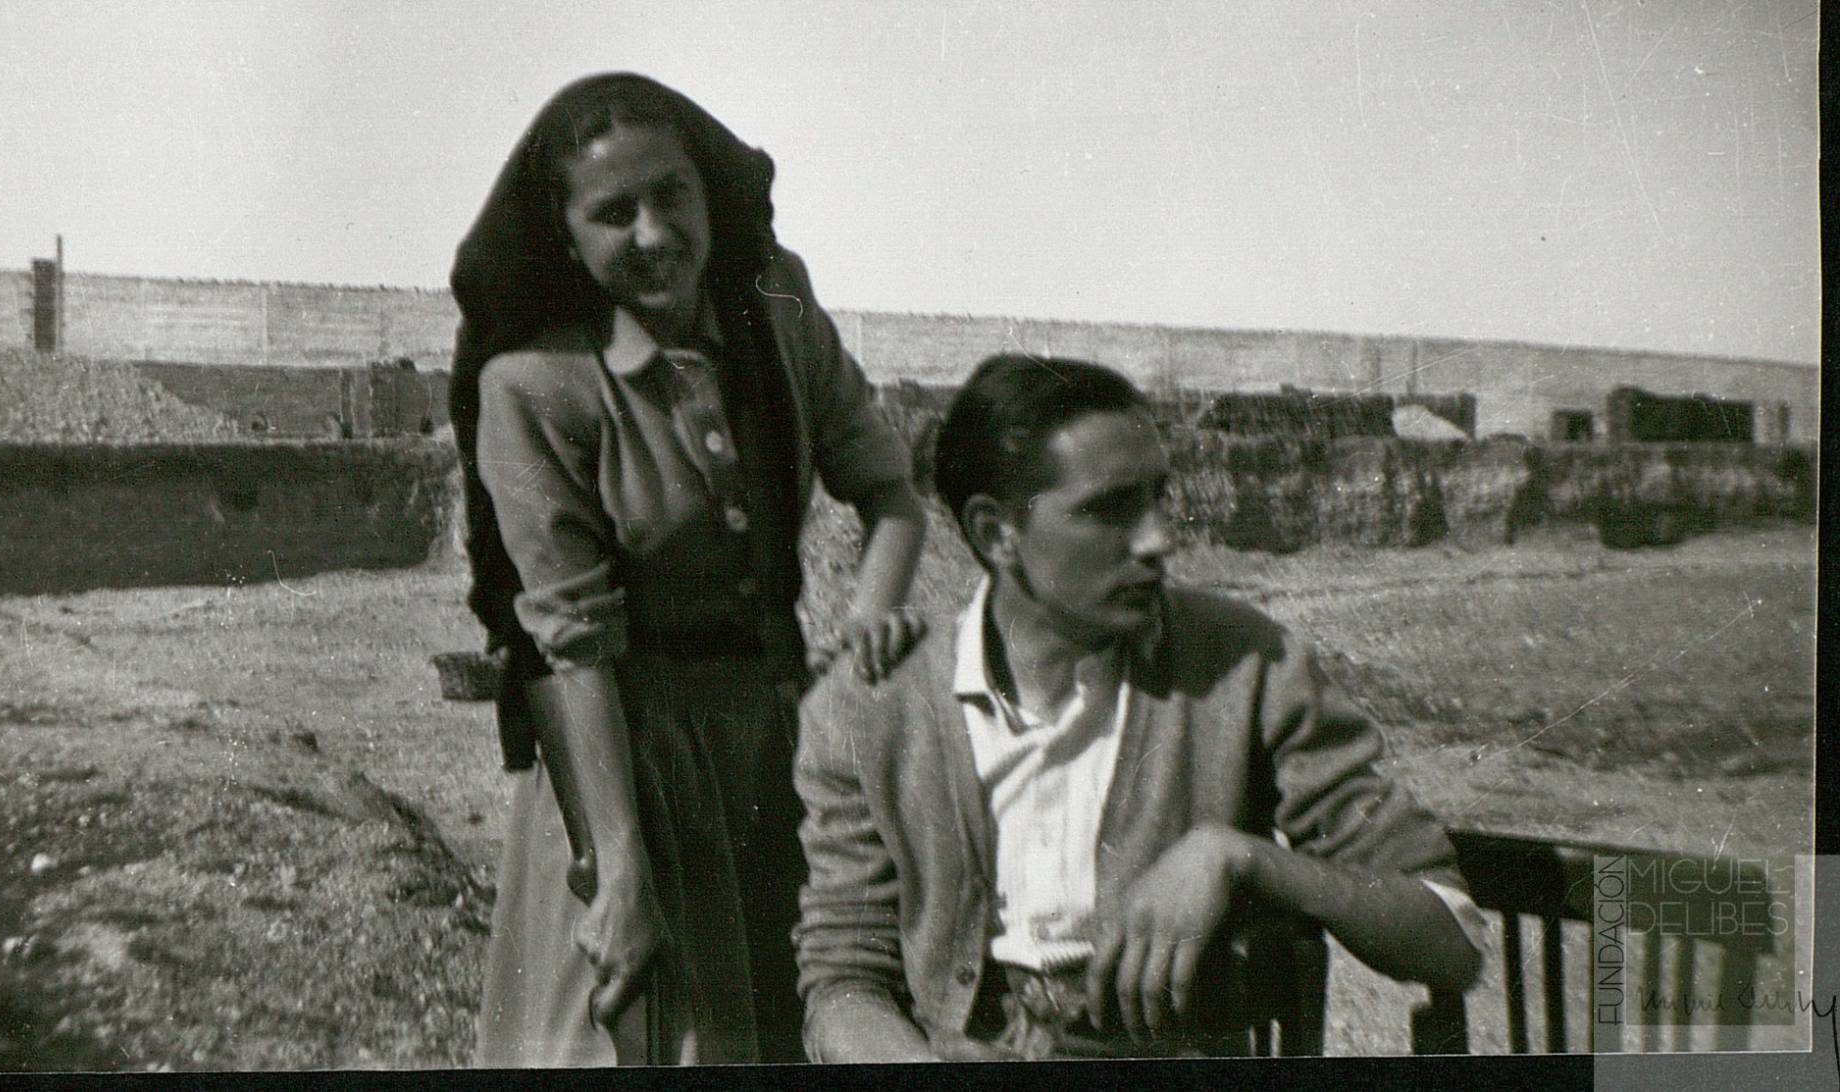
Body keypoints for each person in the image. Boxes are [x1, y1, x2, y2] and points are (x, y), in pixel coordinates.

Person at [792, 354, 1488, 1062]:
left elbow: (1449, 940)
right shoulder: (874, 703)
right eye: (1110, 508)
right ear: (997, 532)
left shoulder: (1247, 665)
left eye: (1160, 498)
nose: (1161, 539)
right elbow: (845, 981)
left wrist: (1240, 859)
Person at [449, 72, 927, 1066]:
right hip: (626, 765)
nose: (655, 233)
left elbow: (888, 493)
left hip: (779, 751)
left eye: (673, 195)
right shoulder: (529, 389)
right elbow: (567, 637)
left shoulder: (777, 304)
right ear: (566, 235)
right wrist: (616, 862)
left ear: (710, 192)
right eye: (612, 213)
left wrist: (862, 641)